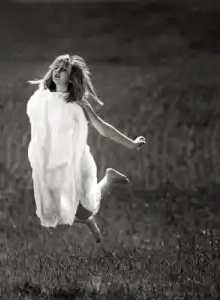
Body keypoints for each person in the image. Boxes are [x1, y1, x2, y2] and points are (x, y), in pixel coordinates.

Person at [26, 54, 146, 243]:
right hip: (50, 163)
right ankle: (89, 221)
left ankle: (108, 179)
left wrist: (132, 143)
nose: (58, 71)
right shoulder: (41, 98)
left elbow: (103, 129)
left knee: (79, 210)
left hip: (73, 162)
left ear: (71, 78)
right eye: (56, 67)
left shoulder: (78, 104)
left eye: (63, 70)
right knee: (57, 216)